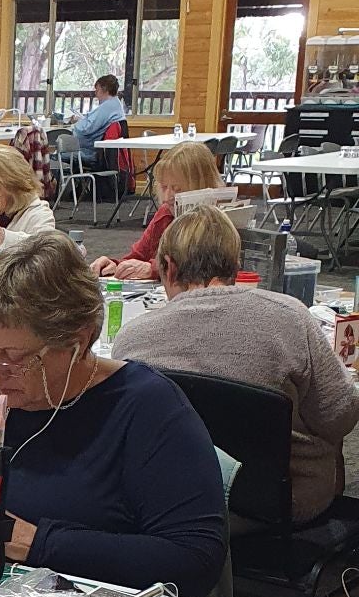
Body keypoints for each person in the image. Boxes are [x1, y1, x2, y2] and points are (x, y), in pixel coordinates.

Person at [0, 232, 227, 594]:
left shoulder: (148, 410)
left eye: (15, 357)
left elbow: (195, 559)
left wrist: (38, 543)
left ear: (77, 342)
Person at [115, 205, 359, 524]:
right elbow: (338, 417)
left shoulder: (131, 339)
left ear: (169, 268)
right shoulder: (290, 318)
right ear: (237, 267)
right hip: (283, 502)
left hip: (170, 501)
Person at [90, 141, 222, 281]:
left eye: (178, 189)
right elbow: (138, 256)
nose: (167, 197)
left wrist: (153, 269)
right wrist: (115, 266)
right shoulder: (165, 213)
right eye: (164, 187)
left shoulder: (217, 221)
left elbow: (200, 267)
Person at [71, 74, 127, 166]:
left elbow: (86, 129)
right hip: (103, 152)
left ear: (105, 89)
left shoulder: (107, 106)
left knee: (56, 155)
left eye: (97, 89)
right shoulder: (115, 104)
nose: (95, 93)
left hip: (94, 153)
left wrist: (77, 122)